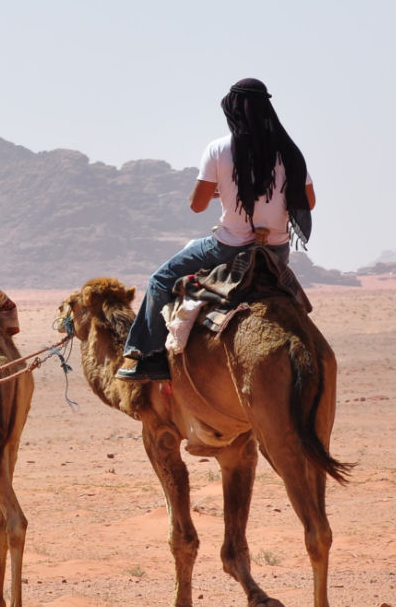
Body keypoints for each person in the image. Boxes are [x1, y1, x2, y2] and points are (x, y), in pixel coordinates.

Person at [117, 78, 317, 381]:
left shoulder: (219, 149)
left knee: (159, 280)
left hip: (228, 247)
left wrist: (221, 191)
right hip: (275, 251)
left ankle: (148, 356)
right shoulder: (290, 152)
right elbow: (308, 202)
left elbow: (196, 205)